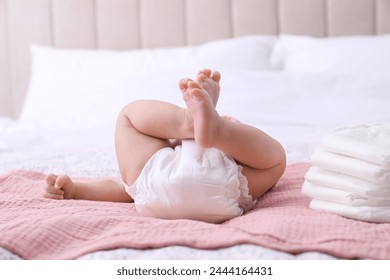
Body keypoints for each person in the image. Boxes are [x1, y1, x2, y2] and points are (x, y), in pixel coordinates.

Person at [44, 69, 286, 223]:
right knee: (275, 161)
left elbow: (121, 187)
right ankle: (217, 131)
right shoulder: (229, 141)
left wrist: (77, 191)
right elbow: (264, 165)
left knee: (128, 116)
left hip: (155, 192)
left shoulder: (161, 158)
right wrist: (226, 130)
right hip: (225, 188)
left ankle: (186, 120)